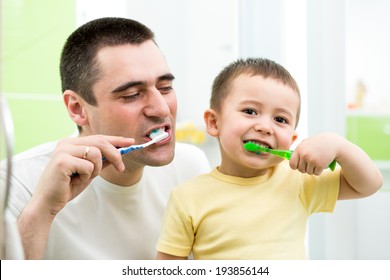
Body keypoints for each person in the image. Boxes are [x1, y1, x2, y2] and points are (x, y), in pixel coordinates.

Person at [1, 17, 210, 260]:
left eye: (165, 88)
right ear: (78, 108)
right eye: (132, 95)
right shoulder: (15, 185)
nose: (162, 109)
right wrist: (42, 211)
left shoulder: (190, 167)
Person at [156, 58, 383, 260]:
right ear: (214, 123)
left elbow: (369, 184)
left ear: (291, 139)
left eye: (280, 119)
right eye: (250, 111)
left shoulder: (298, 180)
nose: (265, 127)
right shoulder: (187, 198)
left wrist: (339, 146)